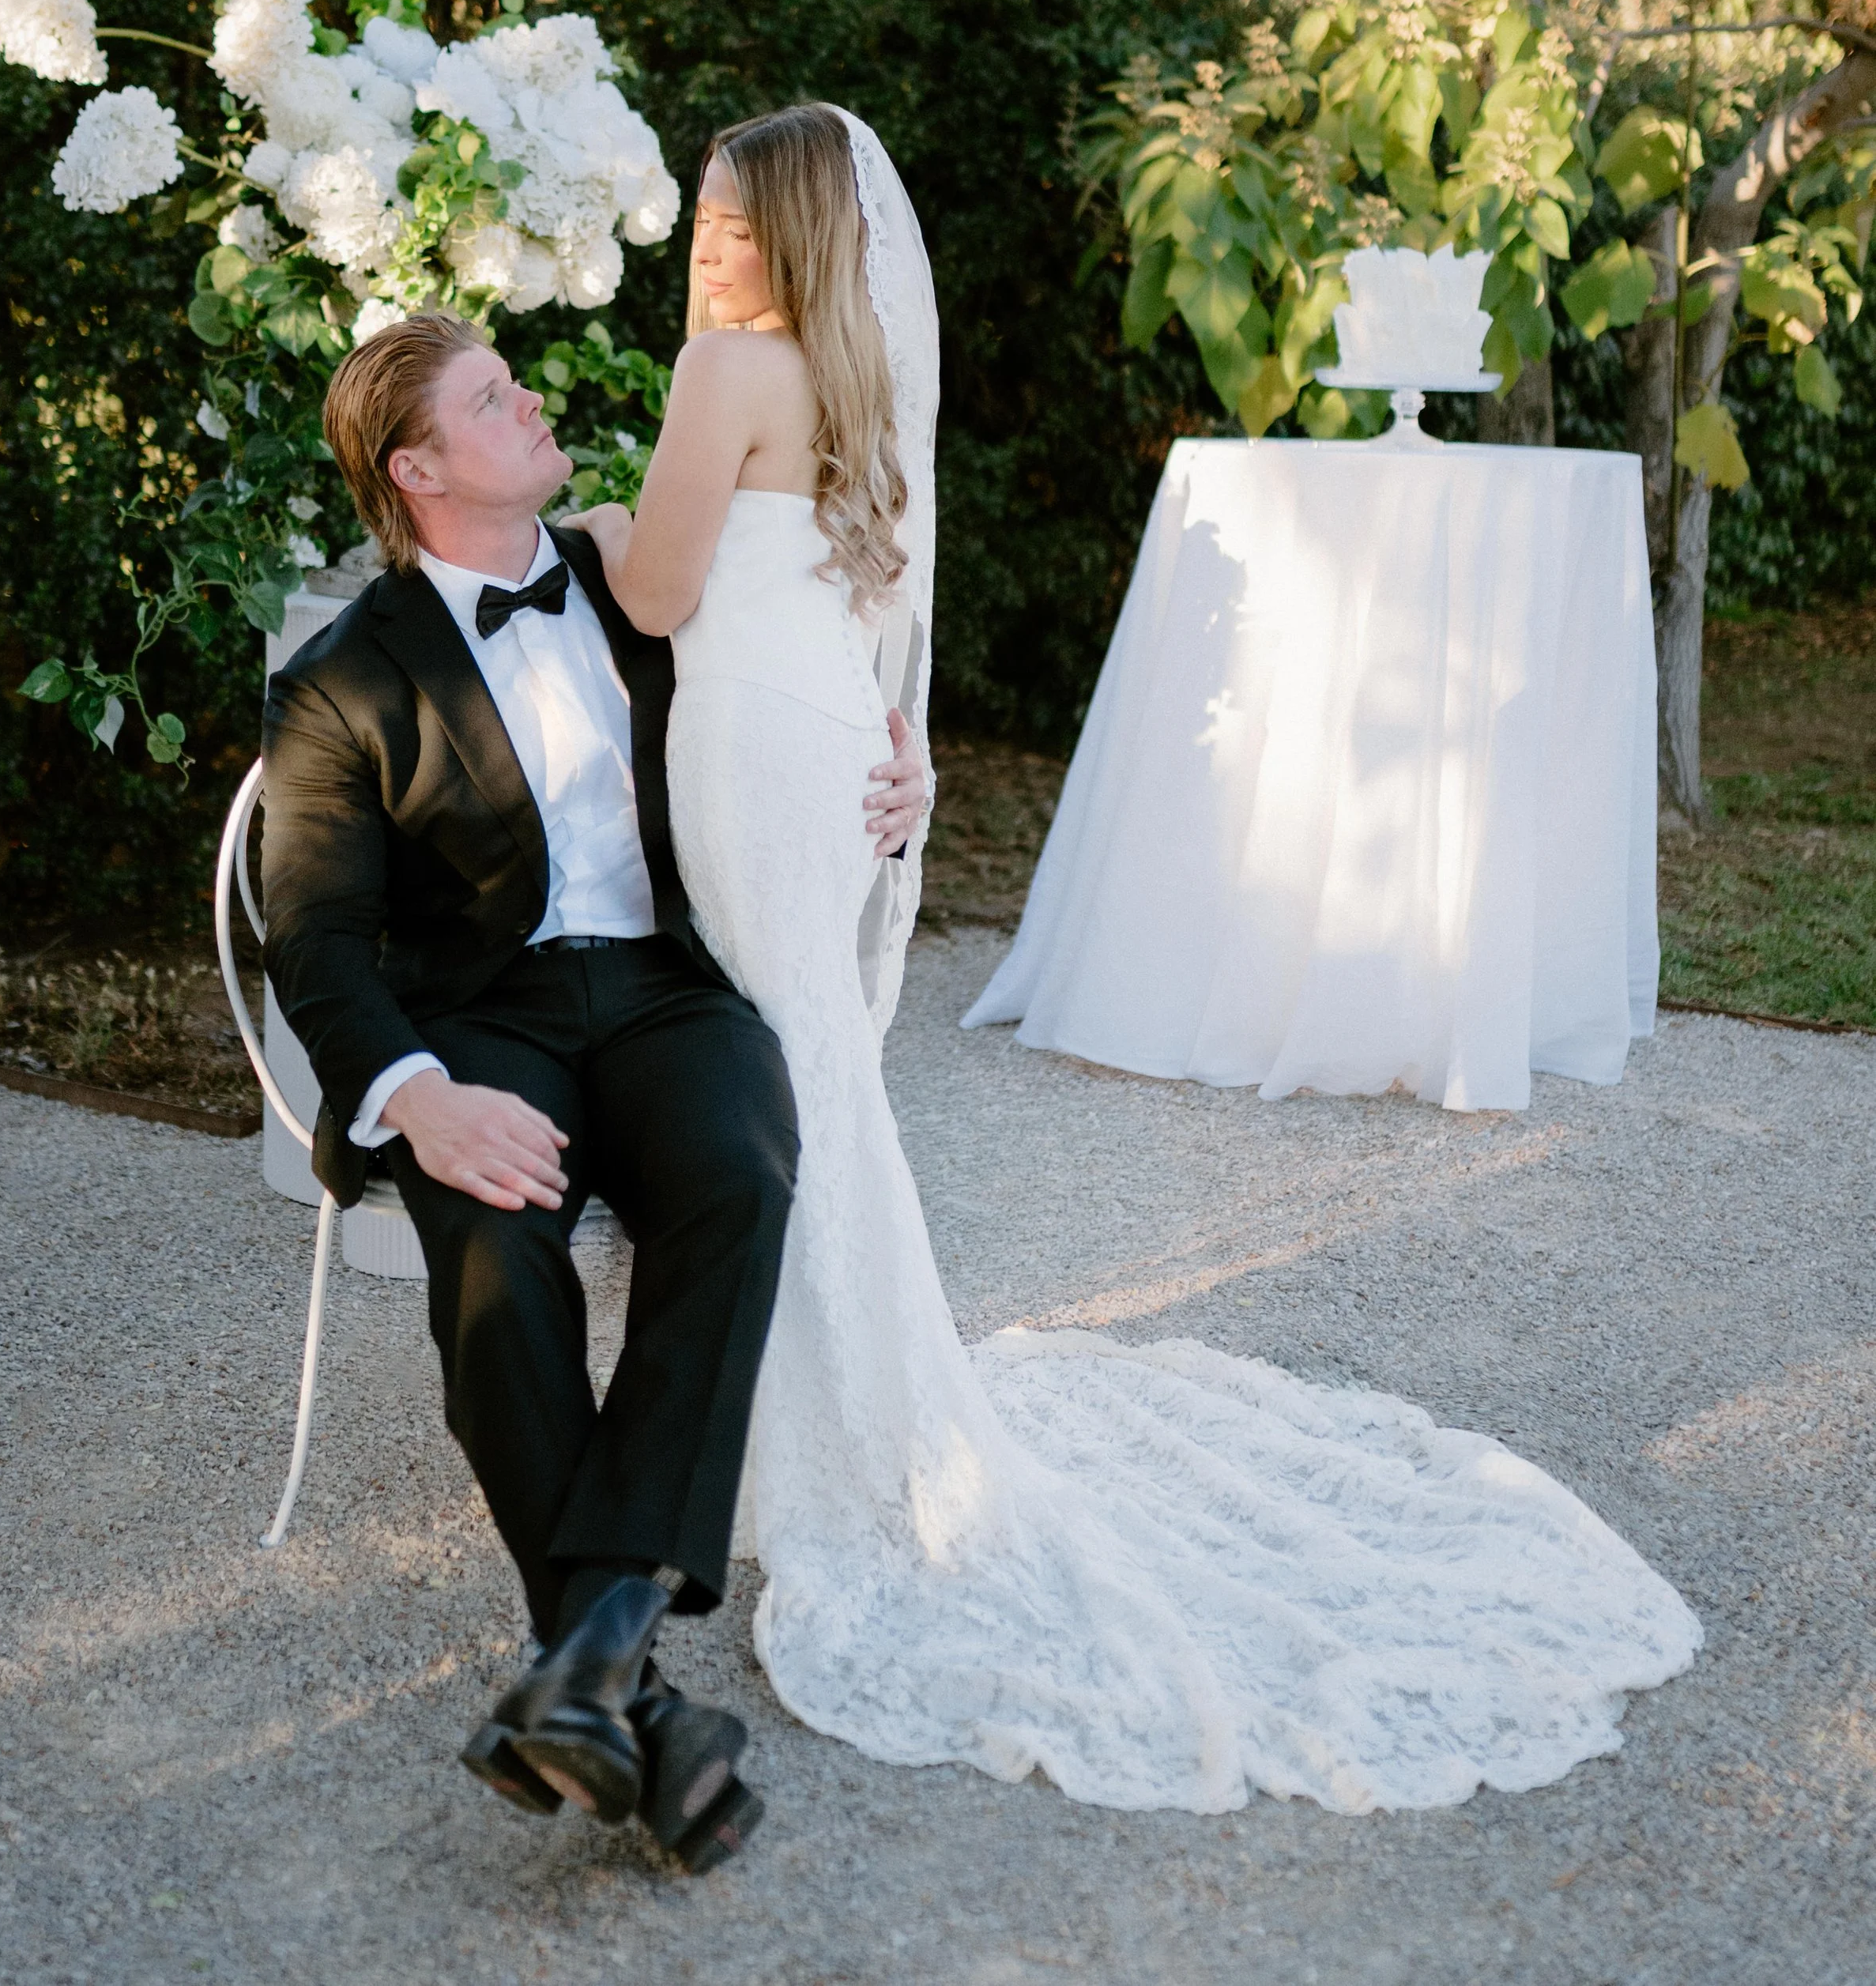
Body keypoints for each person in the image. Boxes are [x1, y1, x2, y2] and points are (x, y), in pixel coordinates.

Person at [563, 100, 1703, 1817]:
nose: (703, 250)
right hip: (817, 746)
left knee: (784, 1060)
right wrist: (904, 748)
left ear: (793, 233)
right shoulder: (860, 374)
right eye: (704, 225)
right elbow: (868, 607)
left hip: (744, 752)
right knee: (801, 1057)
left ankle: (832, 1432)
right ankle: (821, 1399)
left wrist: (570, 525)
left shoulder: (730, 373)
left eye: (730, 224)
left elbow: (654, 594)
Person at [258, 304, 929, 1872]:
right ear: (419, 468)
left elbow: (804, 699)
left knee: (739, 1177)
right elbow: (315, 937)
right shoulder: (342, 681)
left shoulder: (644, 584)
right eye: (494, 401)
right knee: (491, 1252)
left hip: (665, 986)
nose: (531, 402)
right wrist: (417, 1097)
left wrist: (897, 777)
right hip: (479, 1016)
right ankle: (625, 1681)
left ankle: (586, 1665)